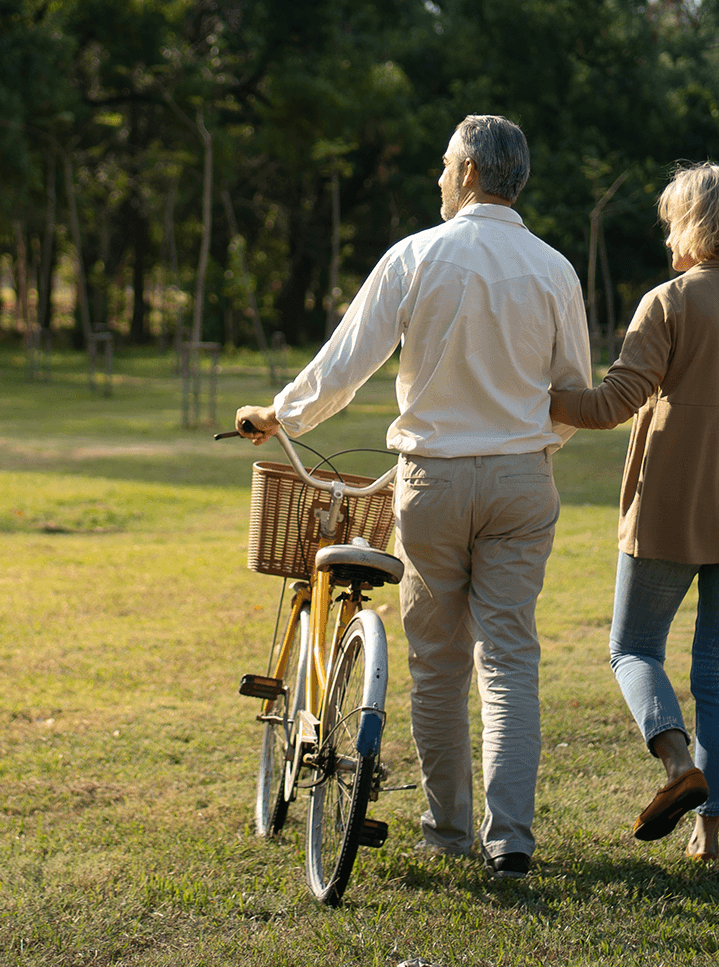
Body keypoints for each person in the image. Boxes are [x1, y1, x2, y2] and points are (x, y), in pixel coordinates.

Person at [235, 115, 590, 880]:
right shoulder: (556, 269)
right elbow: (572, 396)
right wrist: (526, 446)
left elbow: (346, 363)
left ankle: (448, 830)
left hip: (432, 481)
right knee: (510, 660)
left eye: (442, 165)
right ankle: (513, 840)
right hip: (523, 478)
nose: (437, 178)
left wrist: (281, 415)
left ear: (466, 171)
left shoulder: (417, 256)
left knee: (437, 665)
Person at [548, 162, 719, 860]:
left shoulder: (666, 303)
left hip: (670, 511)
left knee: (632, 648)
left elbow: (610, 405)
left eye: (671, 219)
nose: (667, 233)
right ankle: (709, 838)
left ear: (689, 225)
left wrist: (537, 393)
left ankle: (676, 766)